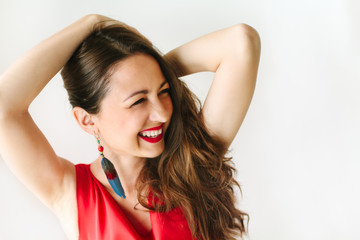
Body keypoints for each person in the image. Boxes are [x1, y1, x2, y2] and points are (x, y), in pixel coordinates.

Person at [0, 14, 260, 240]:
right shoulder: (71, 192)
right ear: (87, 120)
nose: (161, 113)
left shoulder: (193, 161)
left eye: (164, 91)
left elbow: (241, 42)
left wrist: (150, 72)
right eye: (138, 101)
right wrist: (91, 23)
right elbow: (4, 106)